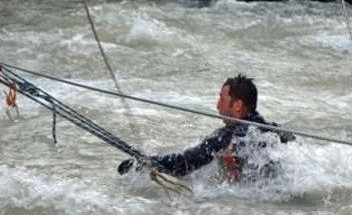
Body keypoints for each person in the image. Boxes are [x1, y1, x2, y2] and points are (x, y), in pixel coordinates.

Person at [118, 74, 295, 182]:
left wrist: (144, 162)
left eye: (221, 99)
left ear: (238, 105)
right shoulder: (270, 130)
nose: (217, 106)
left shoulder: (228, 136)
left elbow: (183, 164)